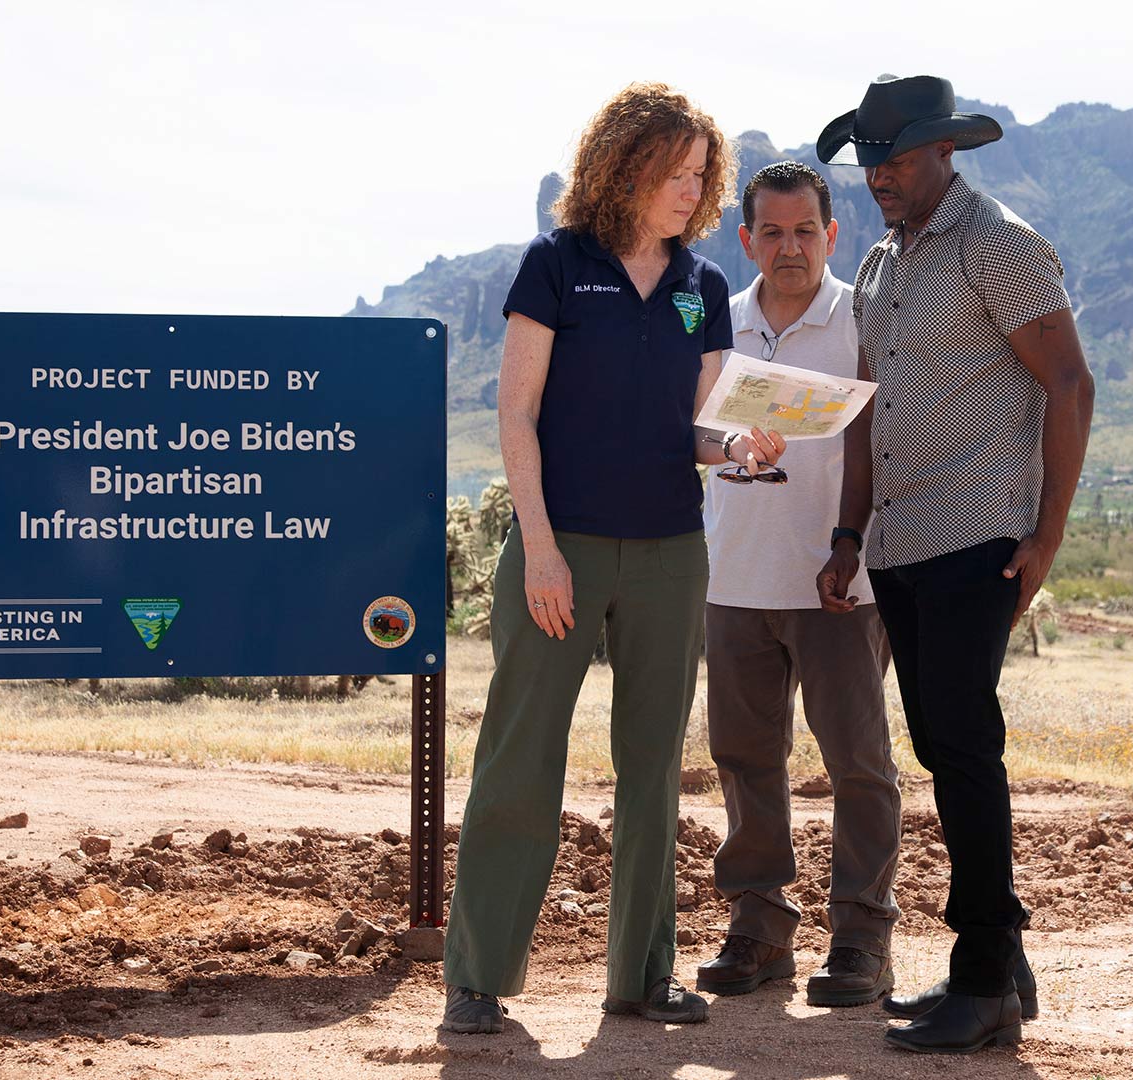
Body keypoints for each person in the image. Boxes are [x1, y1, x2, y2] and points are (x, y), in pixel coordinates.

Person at [440, 82, 783, 1033]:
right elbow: (515, 413)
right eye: (674, 172)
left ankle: (639, 975)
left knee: (653, 768)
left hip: (673, 552)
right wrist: (541, 552)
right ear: (623, 168)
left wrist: (742, 453)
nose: (690, 189)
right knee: (521, 757)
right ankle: (477, 978)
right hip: (564, 548)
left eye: (701, 175)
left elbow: (701, 432)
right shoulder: (557, 264)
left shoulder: (702, 288)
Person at [815, 74, 1096, 1054]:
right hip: (900, 543)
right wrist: (850, 537)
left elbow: (1069, 382)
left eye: (893, 157)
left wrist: (1046, 535)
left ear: (944, 151)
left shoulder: (997, 247)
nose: (878, 175)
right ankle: (1002, 960)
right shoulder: (887, 265)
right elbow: (870, 412)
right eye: (868, 160)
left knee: (965, 751)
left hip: (978, 534)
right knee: (941, 748)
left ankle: (981, 982)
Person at [692, 162, 902, 1007]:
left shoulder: (863, 316)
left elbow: (882, 441)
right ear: (746, 240)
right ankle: (758, 928)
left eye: (805, 230)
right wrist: (729, 445)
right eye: (771, 232)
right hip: (734, 573)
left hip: (839, 583)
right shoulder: (717, 321)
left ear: (832, 235)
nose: (789, 247)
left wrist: (853, 546)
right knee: (744, 758)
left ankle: (860, 937)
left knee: (857, 762)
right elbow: (694, 434)